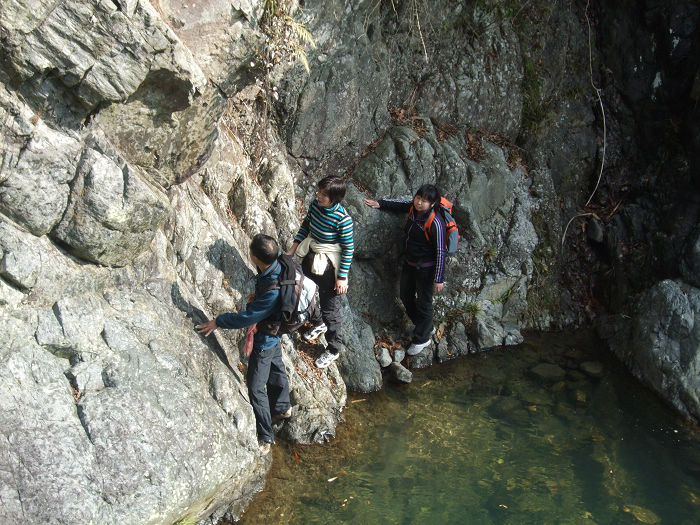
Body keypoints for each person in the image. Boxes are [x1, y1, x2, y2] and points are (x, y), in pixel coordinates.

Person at [196, 234, 291, 455]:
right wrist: (258, 294)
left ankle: (266, 436)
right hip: (275, 330)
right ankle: (283, 407)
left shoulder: (272, 292)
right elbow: (266, 290)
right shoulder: (279, 264)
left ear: (256, 258)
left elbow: (246, 319)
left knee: (256, 387)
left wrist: (218, 321)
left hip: (266, 335)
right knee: (276, 365)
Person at [364, 184, 446, 356]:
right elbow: (399, 204)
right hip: (410, 263)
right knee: (405, 296)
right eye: (418, 198)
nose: (419, 202)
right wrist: (380, 203)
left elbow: (441, 252)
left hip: (426, 269)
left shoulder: (436, 222)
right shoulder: (413, 208)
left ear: (432, 204)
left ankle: (422, 338)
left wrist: (439, 278)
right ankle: (426, 327)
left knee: (424, 302)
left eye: (424, 201)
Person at [287, 176, 355, 369]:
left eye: (324, 194)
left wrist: (342, 277)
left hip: (329, 266)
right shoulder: (315, 206)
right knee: (305, 291)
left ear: (334, 198)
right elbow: (306, 226)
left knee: (330, 309)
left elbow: (348, 249)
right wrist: (292, 249)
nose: (318, 195)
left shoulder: (343, 219)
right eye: (319, 191)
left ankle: (333, 349)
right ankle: (318, 322)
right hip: (311, 255)